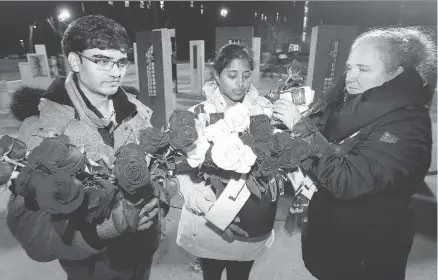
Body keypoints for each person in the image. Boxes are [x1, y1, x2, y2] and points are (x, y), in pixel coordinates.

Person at [6, 15, 175, 280]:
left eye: (121, 62)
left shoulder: (136, 112)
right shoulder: (40, 129)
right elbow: (29, 228)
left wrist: (161, 197)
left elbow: (159, 171)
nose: (116, 71)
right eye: (102, 60)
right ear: (75, 61)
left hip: (142, 257)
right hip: (92, 268)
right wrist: (102, 230)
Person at [272, 26, 436, 280]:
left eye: (364, 69)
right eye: (350, 67)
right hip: (330, 241)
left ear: (396, 73)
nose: (351, 77)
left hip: (366, 256)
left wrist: (302, 130)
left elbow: (348, 180)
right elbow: (325, 147)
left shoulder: (408, 124)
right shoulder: (349, 103)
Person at [176, 43, 277, 280]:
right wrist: (214, 212)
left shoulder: (265, 111)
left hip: (251, 221)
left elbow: (275, 160)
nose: (240, 82)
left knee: (240, 275)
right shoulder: (197, 114)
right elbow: (183, 171)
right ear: (217, 76)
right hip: (209, 221)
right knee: (211, 274)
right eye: (232, 75)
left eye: (246, 75)